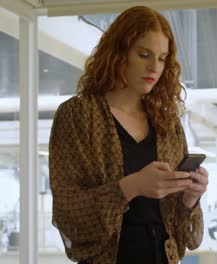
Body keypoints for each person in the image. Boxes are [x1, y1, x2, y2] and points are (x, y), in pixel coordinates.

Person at [48, 6, 208, 264]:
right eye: (144, 54)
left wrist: (189, 198)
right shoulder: (78, 115)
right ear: (118, 53)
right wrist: (131, 187)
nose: (154, 67)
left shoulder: (167, 124)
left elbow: (185, 236)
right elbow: (68, 214)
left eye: (162, 58)